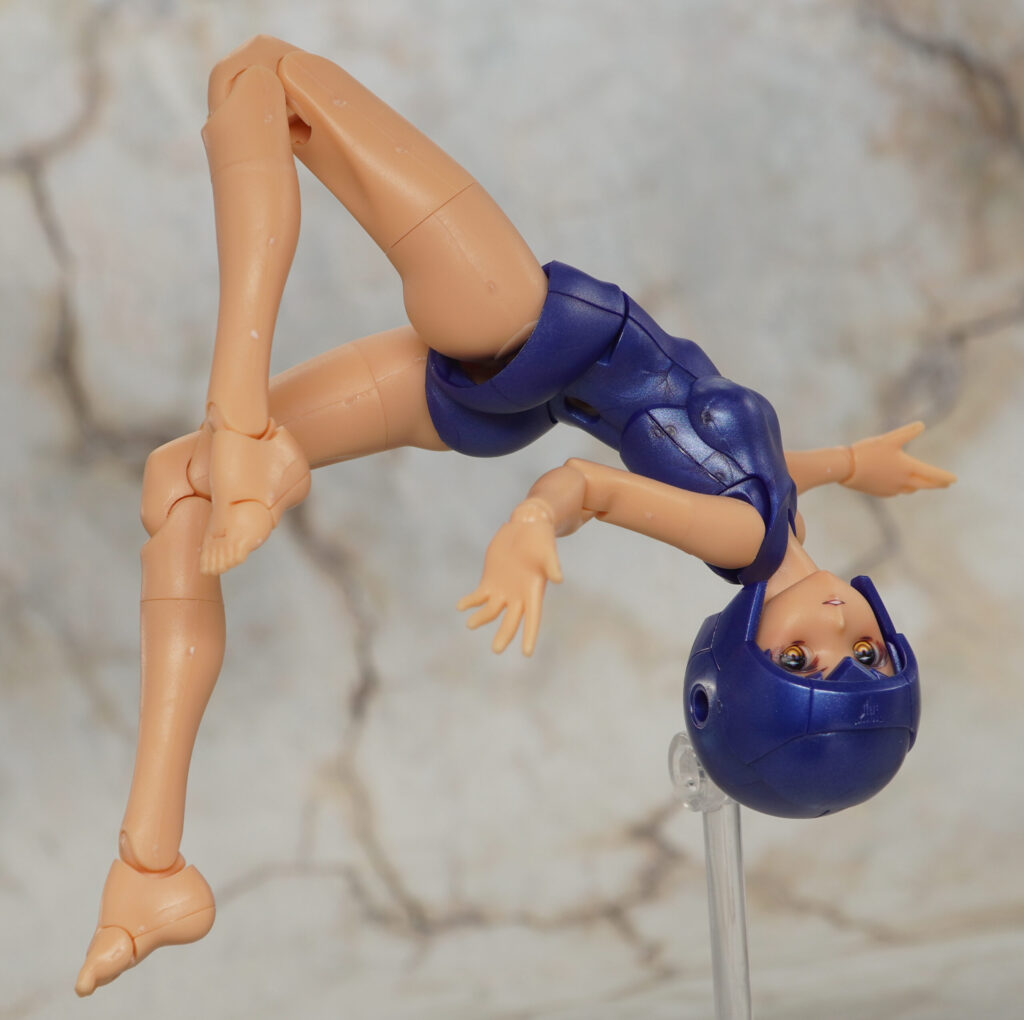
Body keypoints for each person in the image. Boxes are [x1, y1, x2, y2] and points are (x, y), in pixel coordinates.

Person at [75, 36, 954, 994]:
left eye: (803, 663)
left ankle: (243, 426)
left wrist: (530, 531)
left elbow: (589, 487)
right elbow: (758, 470)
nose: (836, 632)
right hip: (501, 399)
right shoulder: (773, 524)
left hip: (520, 323)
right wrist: (855, 463)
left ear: (747, 662)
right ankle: (150, 867)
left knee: (258, 75)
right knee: (178, 487)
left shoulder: (742, 539)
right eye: (865, 653)